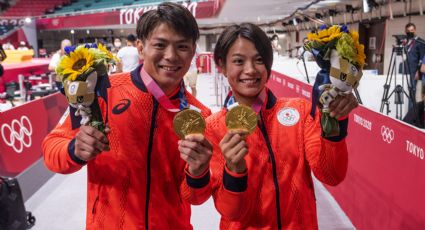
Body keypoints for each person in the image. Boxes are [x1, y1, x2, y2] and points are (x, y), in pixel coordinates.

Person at [42, 3, 213, 229]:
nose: (171, 56)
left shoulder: (199, 114)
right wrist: (74, 150)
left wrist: (199, 172)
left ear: (192, 52)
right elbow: (51, 148)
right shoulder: (100, 91)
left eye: (182, 47)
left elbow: (196, 197)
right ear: (141, 48)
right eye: (160, 45)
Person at [185, 23, 359, 229]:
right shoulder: (212, 128)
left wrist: (335, 122)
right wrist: (233, 171)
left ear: (268, 65)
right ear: (221, 66)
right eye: (239, 61)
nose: (250, 70)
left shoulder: (300, 112)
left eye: (259, 60)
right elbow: (229, 211)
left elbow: (330, 175)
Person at [404, 23, 425, 97]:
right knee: (406, 91)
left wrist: (418, 72)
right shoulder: (407, 42)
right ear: (405, 32)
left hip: (414, 71)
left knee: (412, 92)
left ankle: (411, 109)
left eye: (412, 30)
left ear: (415, 30)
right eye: (408, 30)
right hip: (406, 70)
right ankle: (406, 108)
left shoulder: (420, 42)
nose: (410, 32)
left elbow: (422, 58)